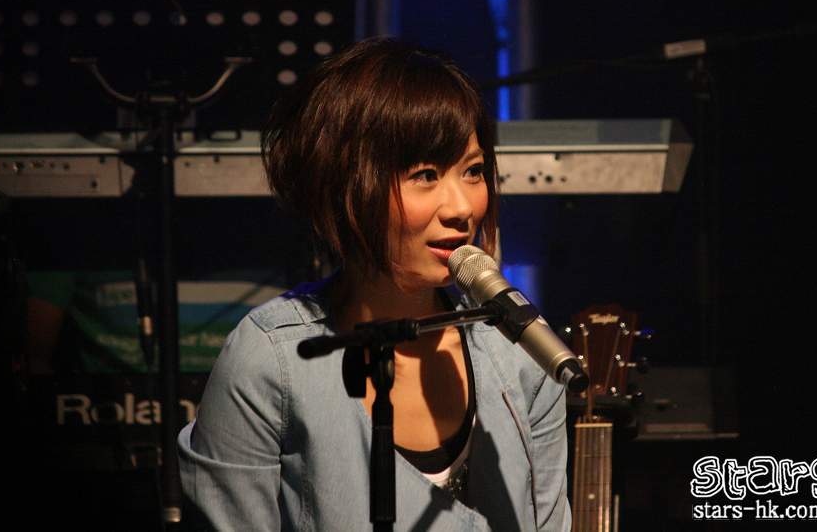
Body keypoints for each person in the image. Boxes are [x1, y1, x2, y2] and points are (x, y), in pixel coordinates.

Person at [178, 38, 571, 531]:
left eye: (473, 171)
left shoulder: (519, 353)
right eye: (425, 175)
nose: (461, 207)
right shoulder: (272, 360)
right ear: (344, 188)